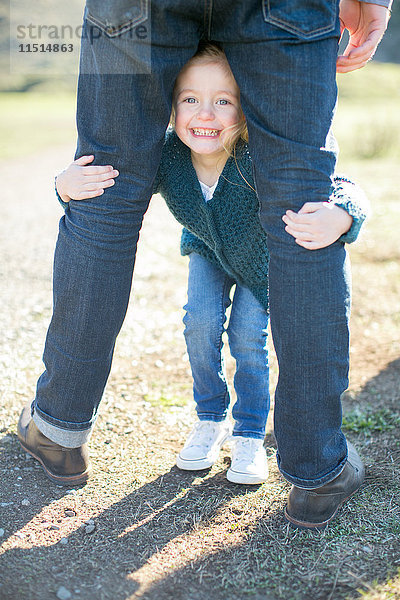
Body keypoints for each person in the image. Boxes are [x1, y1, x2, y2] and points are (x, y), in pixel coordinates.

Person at [17, 0, 391, 528]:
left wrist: (348, 214)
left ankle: (56, 428)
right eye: (190, 101)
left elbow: (105, 194)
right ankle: (319, 468)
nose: (204, 113)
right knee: (298, 197)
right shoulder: (177, 155)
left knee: (110, 188)